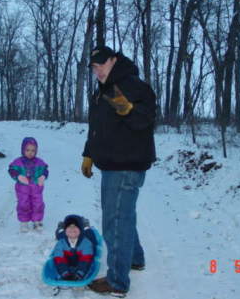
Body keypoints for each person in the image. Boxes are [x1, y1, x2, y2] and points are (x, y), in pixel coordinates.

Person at [81, 45, 156, 297]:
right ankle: (135, 258)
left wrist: (125, 107)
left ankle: (117, 282)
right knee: (123, 216)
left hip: (126, 165)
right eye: (93, 67)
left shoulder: (135, 86)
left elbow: (144, 121)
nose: (97, 70)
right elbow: (97, 128)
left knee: (115, 221)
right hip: (111, 163)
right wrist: (89, 153)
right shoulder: (102, 90)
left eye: (102, 63)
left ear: (114, 60)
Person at [8, 137, 48, 232]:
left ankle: (37, 221)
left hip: (36, 188)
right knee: (23, 203)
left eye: (33, 150)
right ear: (23, 150)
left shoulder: (39, 162)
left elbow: (45, 170)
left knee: (38, 204)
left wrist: (43, 176)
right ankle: (24, 222)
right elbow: (11, 170)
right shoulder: (18, 162)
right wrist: (18, 176)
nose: (30, 152)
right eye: (27, 150)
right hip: (23, 188)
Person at [52, 215, 94, 280]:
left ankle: (86, 226)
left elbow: (86, 260)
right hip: (63, 235)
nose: (72, 229)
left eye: (75, 226)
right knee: (59, 234)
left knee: (90, 234)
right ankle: (61, 227)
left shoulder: (86, 243)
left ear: (80, 229)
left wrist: (79, 274)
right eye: (69, 226)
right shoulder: (61, 242)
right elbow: (59, 259)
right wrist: (65, 273)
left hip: (85, 235)